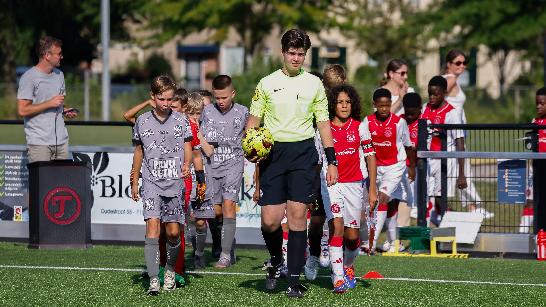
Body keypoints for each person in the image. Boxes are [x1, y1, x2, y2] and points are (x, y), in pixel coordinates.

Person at [246, 28, 338, 298]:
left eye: (301, 54)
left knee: (298, 218)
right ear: (283, 53)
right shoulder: (266, 83)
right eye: (292, 53)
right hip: (273, 155)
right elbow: (254, 120)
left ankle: (294, 280)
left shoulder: (314, 84)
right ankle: (276, 260)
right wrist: (250, 147)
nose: (296, 58)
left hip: (303, 154)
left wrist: (331, 160)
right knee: (270, 221)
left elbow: (323, 123)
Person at [130, 75, 193, 295]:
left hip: (174, 183)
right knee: (153, 229)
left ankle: (169, 271)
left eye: (169, 99)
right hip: (151, 182)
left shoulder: (181, 120)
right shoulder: (142, 121)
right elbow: (139, 151)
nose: (166, 103)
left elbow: (187, 145)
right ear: (152, 97)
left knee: (174, 233)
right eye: (161, 99)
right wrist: (134, 179)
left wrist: (187, 164)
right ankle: (153, 279)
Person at [319, 84, 377, 293]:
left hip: (355, 185)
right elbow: (318, 160)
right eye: (340, 102)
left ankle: (348, 266)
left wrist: (372, 188)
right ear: (332, 105)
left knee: (353, 238)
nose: (344, 106)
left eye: (348, 102)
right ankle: (338, 278)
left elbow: (371, 157)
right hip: (332, 184)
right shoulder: (323, 128)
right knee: (337, 225)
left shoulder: (360, 127)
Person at [199, 75, 248, 268]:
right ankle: (226, 241)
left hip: (233, 164)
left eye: (224, 97)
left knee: (228, 206)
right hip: (211, 165)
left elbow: (254, 136)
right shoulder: (206, 112)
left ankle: (225, 255)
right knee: (216, 211)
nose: (220, 101)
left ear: (232, 94)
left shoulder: (243, 112)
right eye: (217, 97)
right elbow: (196, 133)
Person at [305, 64, 347, 279]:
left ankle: (337, 267)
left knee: (337, 221)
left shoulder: (345, 103)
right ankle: (313, 254)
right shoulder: (314, 105)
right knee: (317, 217)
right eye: (331, 86)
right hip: (317, 166)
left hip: (340, 169)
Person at [362, 88, 415, 254]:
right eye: (381, 105)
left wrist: (411, 167)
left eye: (387, 105)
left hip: (395, 166)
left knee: (382, 198)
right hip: (375, 167)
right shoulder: (367, 122)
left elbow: (408, 146)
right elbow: (363, 145)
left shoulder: (399, 123)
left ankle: (371, 243)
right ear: (374, 105)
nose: (384, 109)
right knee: (388, 205)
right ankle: (394, 243)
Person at [442, 50, 489, 218]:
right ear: (449, 64)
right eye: (458, 63)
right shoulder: (450, 79)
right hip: (453, 133)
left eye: (464, 63)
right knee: (462, 170)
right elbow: (438, 98)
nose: (462, 66)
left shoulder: (453, 79)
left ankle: (471, 206)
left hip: (458, 132)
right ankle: (474, 207)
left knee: (460, 170)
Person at [17, 36, 78, 163]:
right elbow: (23, 110)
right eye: (59, 54)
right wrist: (49, 103)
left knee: (61, 183)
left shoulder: (59, 75)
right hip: (39, 144)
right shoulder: (29, 77)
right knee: (42, 183)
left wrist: (64, 110)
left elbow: (56, 104)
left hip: (61, 143)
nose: (62, 56)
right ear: (47, 55)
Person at [421, 76, 466, 225]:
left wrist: (461, 173)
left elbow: (460, 143)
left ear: (444, 93)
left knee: (441, 198)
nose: (432, 97)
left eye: (436, 94)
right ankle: (428, 232)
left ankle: (452, 227)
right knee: (425, 197)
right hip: (427, 160)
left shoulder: (451, 113)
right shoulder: (424, 108)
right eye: (430, 94)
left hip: (444, 162)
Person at [520, 87, 546, 232]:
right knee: (531, 201)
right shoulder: (535, 122)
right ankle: (522, 235)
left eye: (542, 103)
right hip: (536, 168)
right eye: (537, 103)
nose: (538, 106)